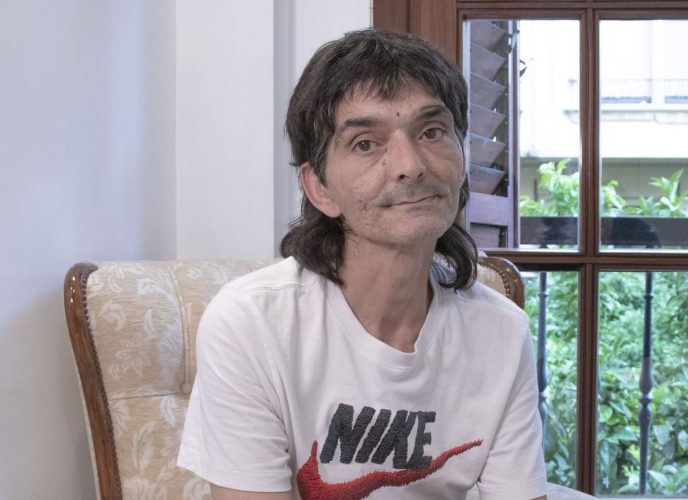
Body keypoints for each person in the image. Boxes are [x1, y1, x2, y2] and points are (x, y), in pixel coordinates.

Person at [178, 29, 548, 500]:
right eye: (365, 144)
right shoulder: (251, 324)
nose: (410, 165)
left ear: (462, 160)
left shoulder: (502, 333)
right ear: (319, 188)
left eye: (432, 132)